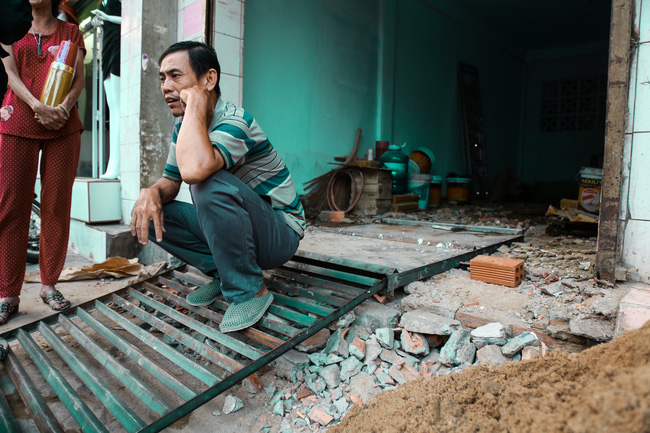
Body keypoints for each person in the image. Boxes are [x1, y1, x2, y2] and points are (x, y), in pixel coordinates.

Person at [130, 41, 305, 333]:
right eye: (162, 78)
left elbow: (195, 171)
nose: (165, 87)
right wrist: (150, 193)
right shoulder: (182, 127)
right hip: (247, 227)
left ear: (209, 79)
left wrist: (197, 102)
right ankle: (224, 274)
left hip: (280, 232)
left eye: (176, 76)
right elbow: (172, 180)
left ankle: (249, 290)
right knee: (149, 213)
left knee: (206, 184)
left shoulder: (236, 121)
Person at [0, 0, 86, 325]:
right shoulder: (7, 28)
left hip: (64, 125)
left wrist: (62, 108)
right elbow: (9, 74)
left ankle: (49, 285)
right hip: (16, 122)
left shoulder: (71, 31)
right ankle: (7, 292)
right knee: (10, 207)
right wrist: (38, 105)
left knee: (56, 205)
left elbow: (78, 79)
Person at [91, 0, 121, 180]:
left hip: (117, 47)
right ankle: (113, 164)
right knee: (112, 107)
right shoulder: (104, 1)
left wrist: (108, 18)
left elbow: (132, 20)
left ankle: (116, 165)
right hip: (106, 47)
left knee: (118, 108)